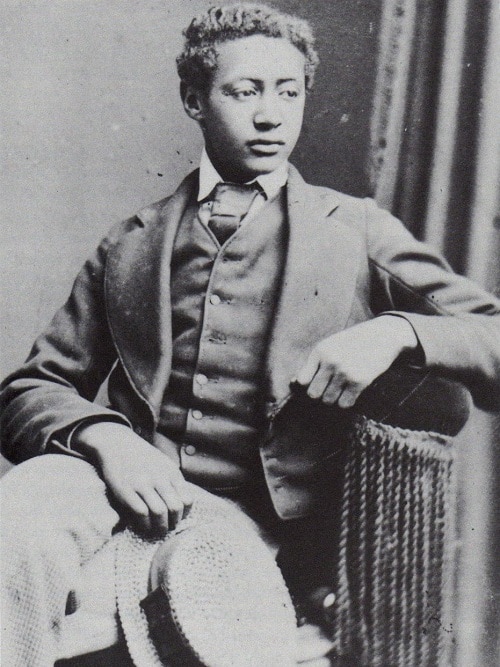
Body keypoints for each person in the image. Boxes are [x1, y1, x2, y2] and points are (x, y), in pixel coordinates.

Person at [1, 3, 500, 666]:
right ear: (194, 100)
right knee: (21, 510)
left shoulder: (354, 233)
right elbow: (29, 387)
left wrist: (399, 332)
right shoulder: (130, 245)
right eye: (244, 92)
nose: (271, 115)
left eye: (288, 92)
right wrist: (106, 439)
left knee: (206, 599)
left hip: (254, 527)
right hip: (118, 486)